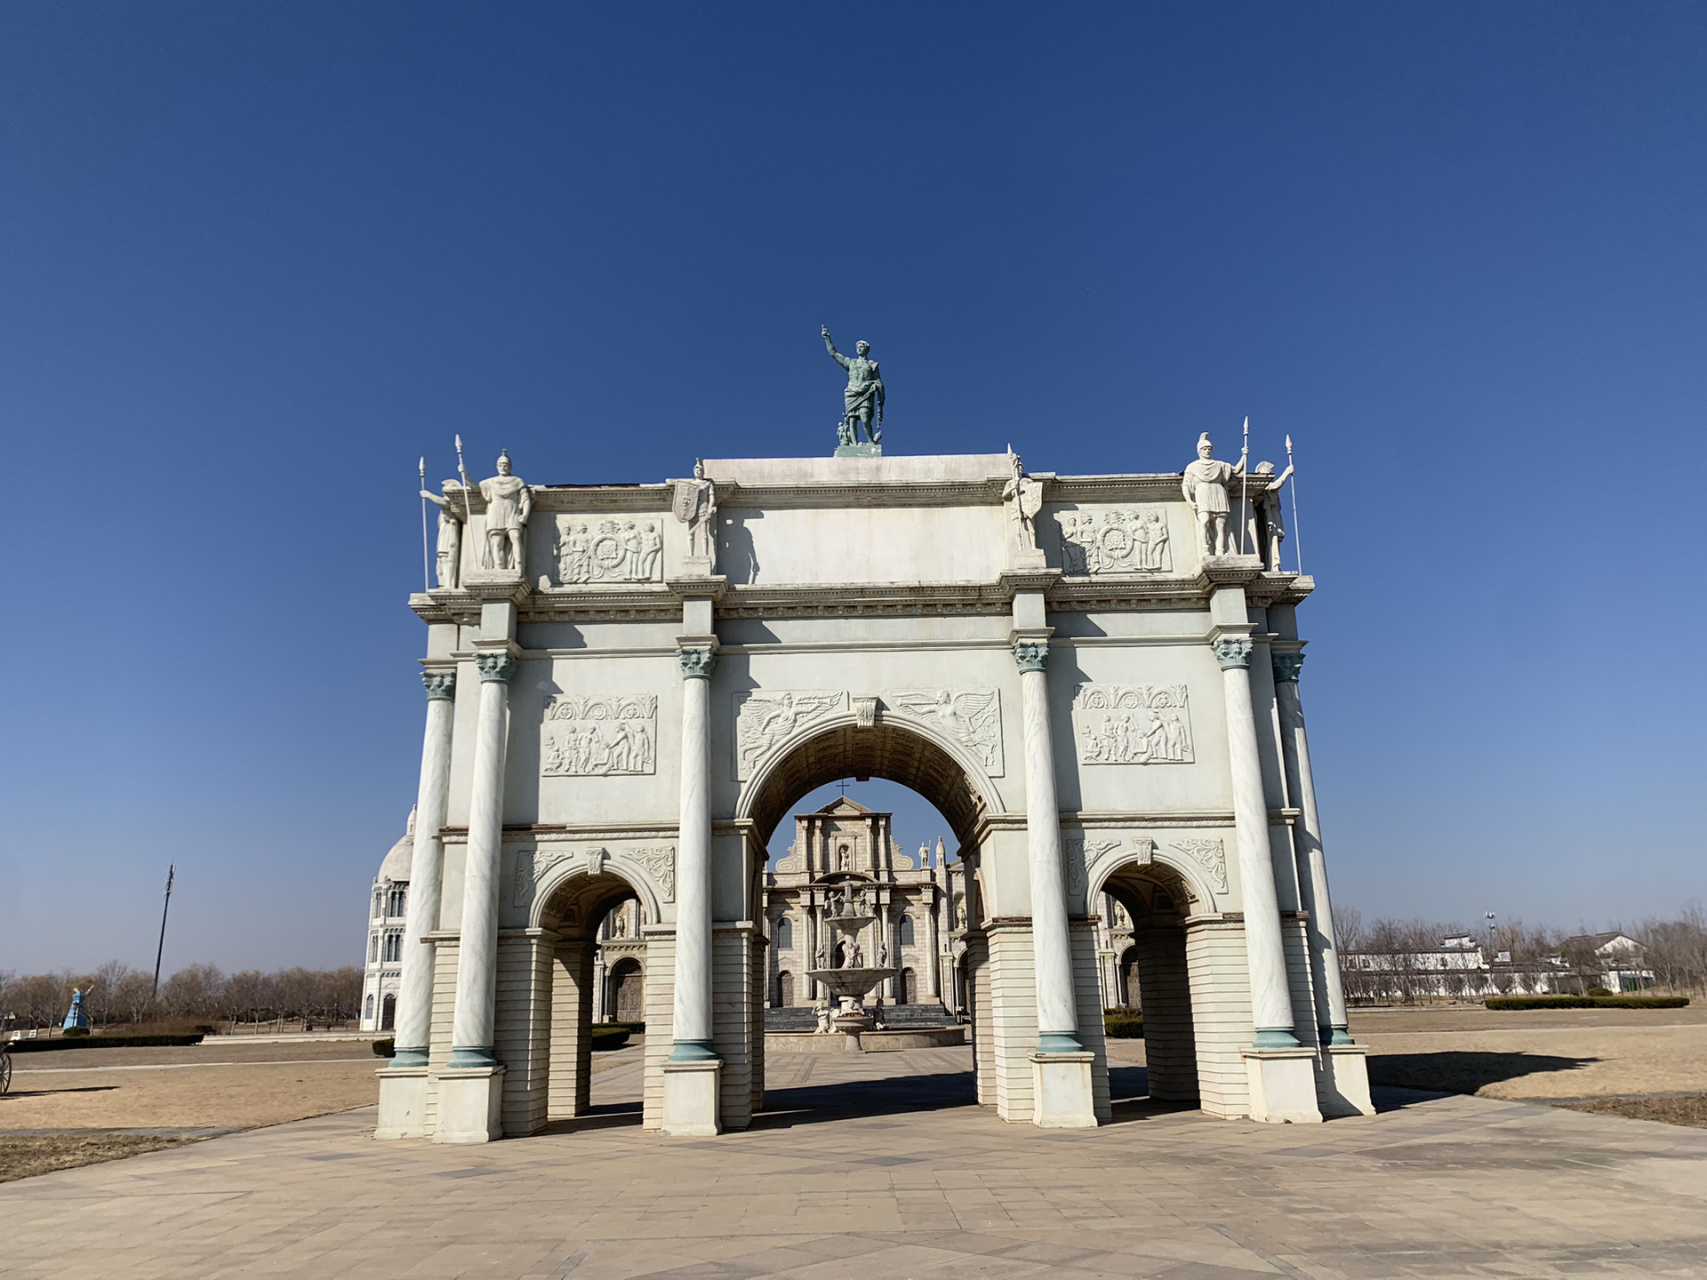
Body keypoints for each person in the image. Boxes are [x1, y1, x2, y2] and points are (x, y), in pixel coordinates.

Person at [1181, 433, 1246, 559]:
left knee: (1220, 525)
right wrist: (1190, 501)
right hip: (1202, 493)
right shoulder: (1192, 466)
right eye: (1204, 449)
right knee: (1204, 521)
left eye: (1209, 449)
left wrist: (1244, 456)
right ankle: (1205, 550)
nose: (1207, 451)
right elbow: (1186, 485)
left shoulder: (1219, 464)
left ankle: (1220, 551)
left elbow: (1236, 470)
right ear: (1199, 451)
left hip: (1218, 492)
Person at [822, 326, 884, 445]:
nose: (859, 349)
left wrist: (876, 386)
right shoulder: (850, 362)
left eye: (862, 347)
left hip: (865, 393)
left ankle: (870, 441)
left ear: (867, 350)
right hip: (851, 393)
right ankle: (854, 446)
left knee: (865, 418)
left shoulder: (872, 365)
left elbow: (878, 381)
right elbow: (833, 353)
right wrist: (827, 338)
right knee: (852, 420)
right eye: (858, 347)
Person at [479, 451, 532, 572]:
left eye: (506, 465)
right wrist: (466, 476)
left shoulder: (517, 481)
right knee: (497, 542)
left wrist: (525, 515)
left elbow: (525, 499)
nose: (503, 467)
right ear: (497, 467)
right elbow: (476, 487)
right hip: (495, 511)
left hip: (512, 511)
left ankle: (519, 566)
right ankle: (499, 568)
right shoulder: (489, 482)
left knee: (516, 537)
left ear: (510, 467)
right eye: (501, 465)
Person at [419, 480, 466, 589]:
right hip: (443, 536)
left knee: (448, 559)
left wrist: (428, 495)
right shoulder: (446, 509)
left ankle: (448, 584)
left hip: (449, 537)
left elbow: (444, 502)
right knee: (441, 560)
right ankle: (444, 583)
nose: (444, 494)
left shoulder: (452, 506)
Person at [1250, 460, 1295, 570]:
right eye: (1269, 471)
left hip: (1274, 514)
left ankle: (1274, 564)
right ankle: (1274, 564)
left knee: (1275, 539)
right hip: (1270, 516)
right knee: (1273, 538)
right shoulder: (1266, 487)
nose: (1271, 473)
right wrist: (1287, 472)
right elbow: (1275, 486)